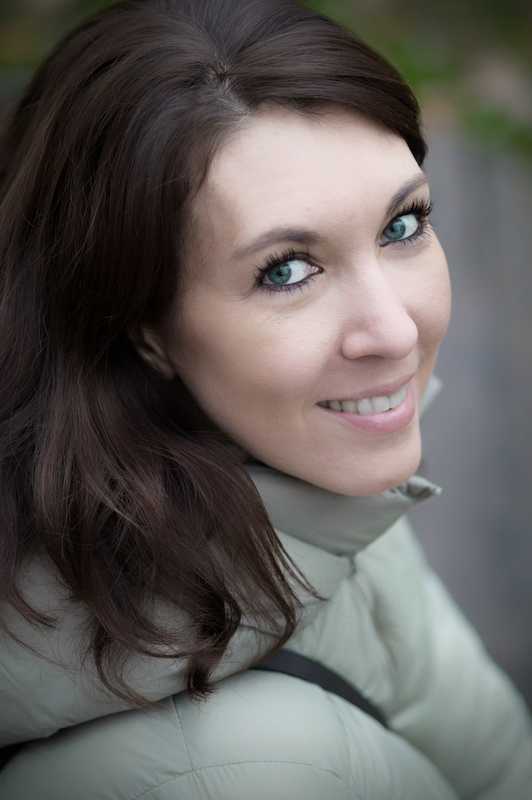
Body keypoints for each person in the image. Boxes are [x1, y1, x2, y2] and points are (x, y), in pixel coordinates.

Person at [0, 0, 530, 797]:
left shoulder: (307, 486)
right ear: (143, 329)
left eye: (403, 225)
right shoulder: (228, 775)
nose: (394, 330)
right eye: (287, 270)